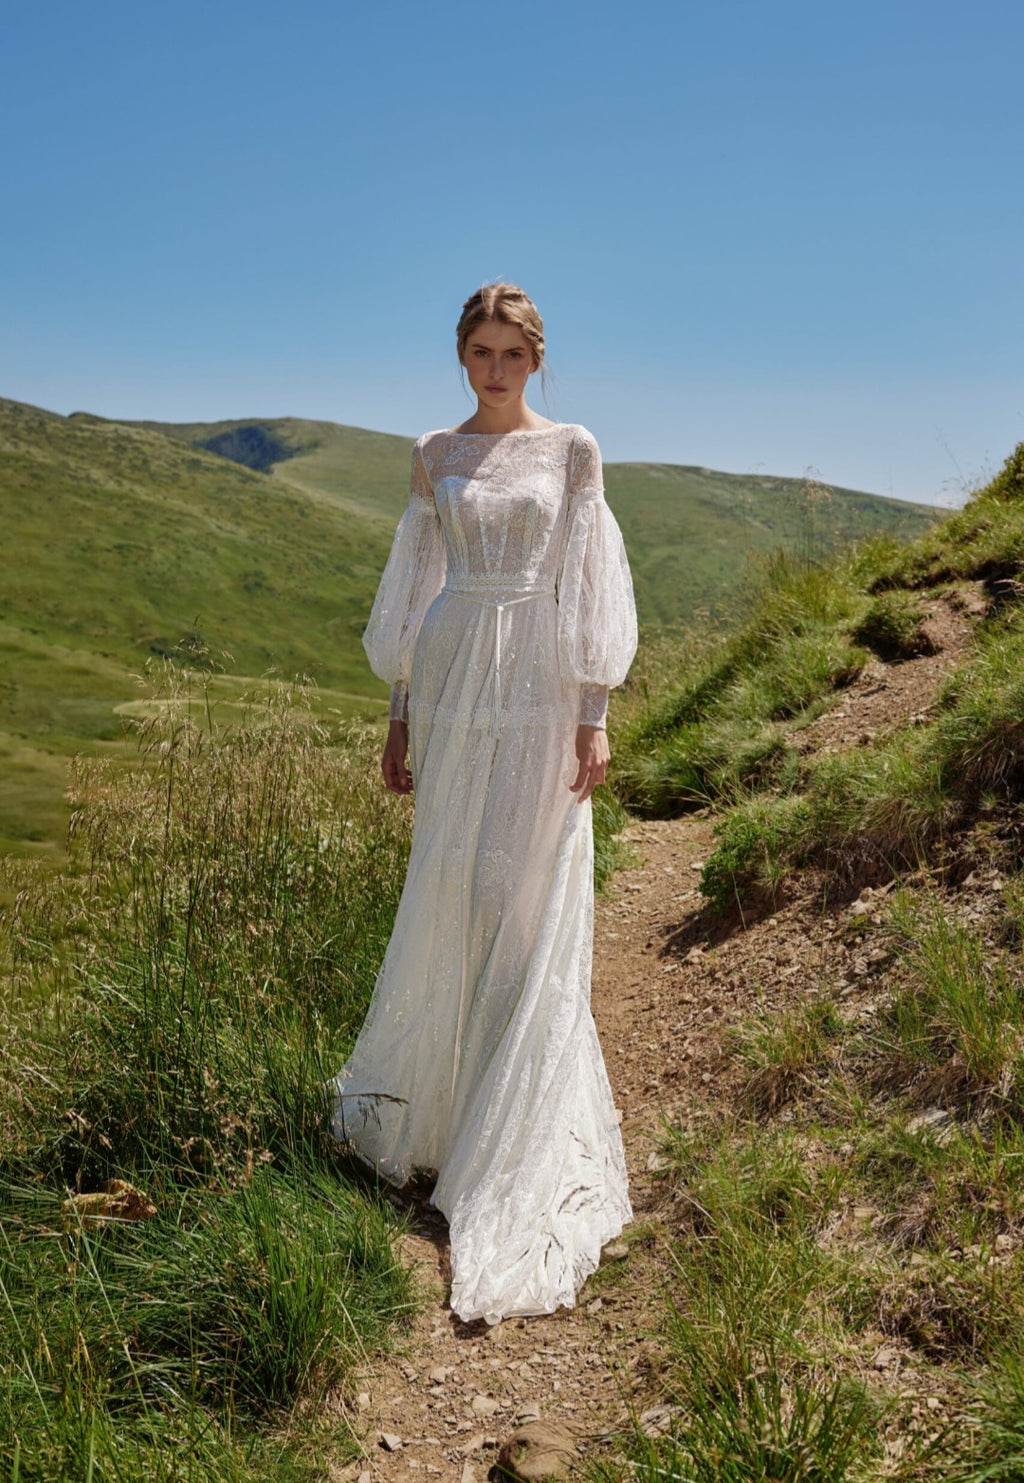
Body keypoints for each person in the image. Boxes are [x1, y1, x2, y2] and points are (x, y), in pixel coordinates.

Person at [330, 282, 638, 1326]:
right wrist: (399, 712)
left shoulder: (574, 450)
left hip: (543, 680)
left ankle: (513, 1129)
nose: (496, 368)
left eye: (513, 352)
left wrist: (593, 710)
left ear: (536, 361)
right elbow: (413, 585)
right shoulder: (432, 453)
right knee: (455, 879)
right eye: (481, 349)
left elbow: (592, 579)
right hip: (457, 672)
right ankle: (445, 1113)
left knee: (525, 888)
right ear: (459, 354)